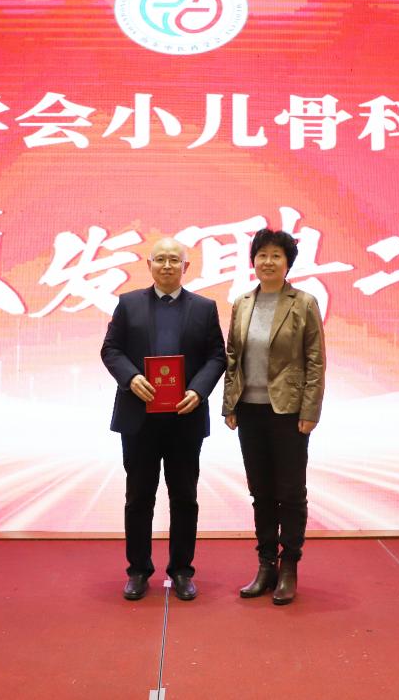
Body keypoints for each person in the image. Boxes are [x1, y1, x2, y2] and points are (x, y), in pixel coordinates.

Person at [101, 237, 225, 602]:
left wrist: (198, 390)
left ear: (186, 267)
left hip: (185, 417)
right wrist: (130, 378)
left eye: (174, 260)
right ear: (149, 265)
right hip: (139, 418)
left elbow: (217, 356)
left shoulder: (204, 308)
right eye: (160, 259)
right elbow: (111, 349)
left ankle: (182, 571)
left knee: (184, 497)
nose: (167, 265)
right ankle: (138, 571)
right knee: (139, 497)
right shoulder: (128, 304)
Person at [222, 228, 325, 605]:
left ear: (287, 263)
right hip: (249, 411)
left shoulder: (304, 303)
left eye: (276, 256)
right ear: (253, 261)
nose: (268, 262)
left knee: (291, 492)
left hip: (289, 412)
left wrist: (310, 410)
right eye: (262, 255)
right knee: (261, 491)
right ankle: (265, 564)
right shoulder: (242, 302)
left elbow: (315, 360)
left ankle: (289, 565)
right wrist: (230, 405)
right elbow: (232, 357)